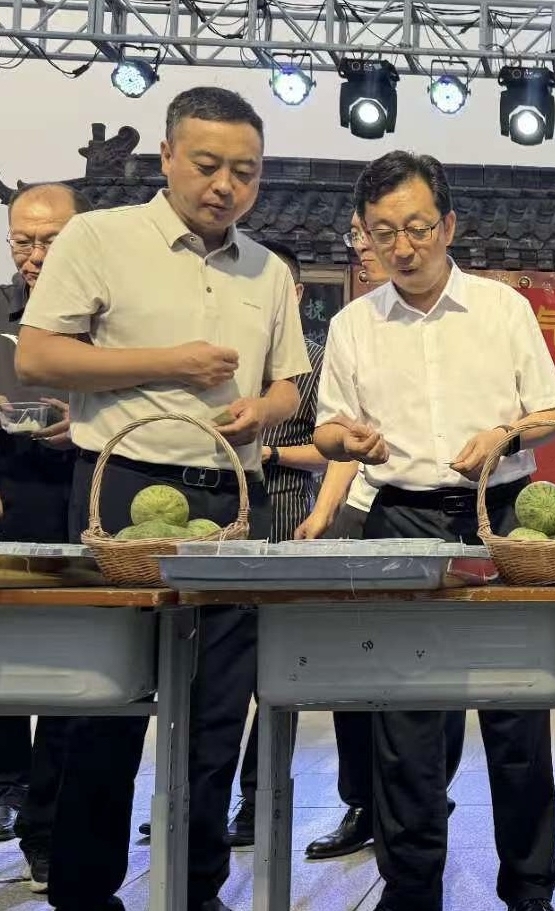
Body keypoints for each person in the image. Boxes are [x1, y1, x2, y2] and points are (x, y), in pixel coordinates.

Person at [15, 86, 310, 911]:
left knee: (217, 710)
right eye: (209, 164)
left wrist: (264, 409)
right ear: (169, 156)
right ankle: (85, 889)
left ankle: (195, 885)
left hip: (234, 501)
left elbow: (289, 382)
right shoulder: (100, 238)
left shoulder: (268, 268)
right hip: (124, 489)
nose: (226, 185)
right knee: (108, 701)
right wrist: (168, 362)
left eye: (246, 171)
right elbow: (38, 356)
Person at [313, 151, 555, 911]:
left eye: (418, 227)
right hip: (400, 519)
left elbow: (554, 413)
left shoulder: (502, 309)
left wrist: (504, 434)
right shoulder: (353, 324)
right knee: (404, 717)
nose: (403, 246)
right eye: (383, 231)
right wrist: (347, 442)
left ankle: (530, 887)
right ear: (365, 234)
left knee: (516, 712)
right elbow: (326, 429)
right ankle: (411, 885)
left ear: (448, 225)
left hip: (501, 517)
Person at [223, 239, 330, 846]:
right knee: (216, 671)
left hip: (288, 520)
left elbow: (330, 448)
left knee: (278, 674)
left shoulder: (313, 362)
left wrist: (270, 453)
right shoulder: (225, 354)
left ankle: (258, 800)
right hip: (224, 523)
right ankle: (196, 800)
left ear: (296, 294)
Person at [289, 211, 385, 863]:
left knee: (427, 668)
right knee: (355, 666)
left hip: (425, 515)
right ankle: (362, 801)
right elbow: (342, 443)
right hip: (360, 513)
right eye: (362, 235)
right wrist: (325, 513)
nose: (368, 249)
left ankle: (420, 793)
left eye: (381, 234)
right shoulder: (353, 326)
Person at [0, 181, 88, 894]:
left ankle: (50, 830)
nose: (33, 255)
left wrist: (85, 420)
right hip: (8, 506)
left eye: (50, 241)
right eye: (22, 241)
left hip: (81, 506)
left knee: (73, 681)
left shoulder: (105, 321)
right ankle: (9, 788)